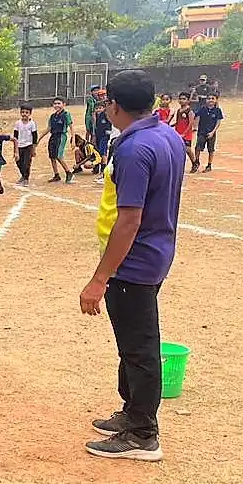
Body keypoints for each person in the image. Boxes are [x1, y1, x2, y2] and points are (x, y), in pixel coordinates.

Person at [79, 70, 184, 461]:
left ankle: (143, 433)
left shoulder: (133, 149)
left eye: (106, 102)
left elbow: (129, 219)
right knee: (131, 344)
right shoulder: (167, 135)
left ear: (113, 107)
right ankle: (131, 413)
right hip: (156, 252)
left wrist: (99, 278)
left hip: (135, 262)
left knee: (139, 347)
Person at [42, 96, 75, 183]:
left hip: (61, 136)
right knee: (52, 156)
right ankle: (56, 175)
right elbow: (49, 128)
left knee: (59, 156)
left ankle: (68, 172)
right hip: (53, 136)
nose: (56, 105)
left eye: (59, 103)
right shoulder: (52, 116)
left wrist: (73, 138)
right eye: (55, 103)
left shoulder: (66, 114)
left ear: (64, 105)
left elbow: (71, 127)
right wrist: (39, 138)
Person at [192, 93, 225, 173]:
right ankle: (196, 162)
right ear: (206, 100)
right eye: (209, 98)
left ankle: (209, 165)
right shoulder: (202, 109)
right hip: (202, 132)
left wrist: (213, 132)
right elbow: (197, 118)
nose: (210, 100)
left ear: (216, 100)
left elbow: (218, 122)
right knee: (198, 148)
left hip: (211, 133)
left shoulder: (217, 110)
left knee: (211, 149)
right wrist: (195, 128)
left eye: (213, 98)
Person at [12, 103, 39, 186]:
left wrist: (34, 148)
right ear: (20, 113)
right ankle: (23, 176)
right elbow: (15, 137)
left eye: (27, 112)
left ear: (30, 113)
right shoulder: (18, 123)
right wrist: (15, 149)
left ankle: (26, 179)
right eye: (23, 112)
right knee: (18, 161)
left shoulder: (32, 124)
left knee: (26, 163)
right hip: (19, 146)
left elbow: (35, 136)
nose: (24, 114)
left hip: (28, 146)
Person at [172, 92, 196, 169]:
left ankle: (194, 162)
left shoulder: (189, 111)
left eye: (184, 99)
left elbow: (191, 123)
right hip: (178, 132)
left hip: (186, 133)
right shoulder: (179, 110)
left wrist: (185, 133)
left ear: (188, 100)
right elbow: (178, 121)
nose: (181, 100)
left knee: (187, 149)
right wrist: (171, 126)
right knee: (178, 149)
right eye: (180, 99)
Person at [92, 101, 113, 175]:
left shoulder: (105, 115)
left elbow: (110, 124)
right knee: (98, 151)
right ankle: (99, 168)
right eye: (96, 108)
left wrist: (109, 133)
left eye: (100, 108)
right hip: (99, 136)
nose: (98, 110)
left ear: (104, 108)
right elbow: (96, 127)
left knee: (103, 152)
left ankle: (103, 169)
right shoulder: (96, 116)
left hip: (104, 136)